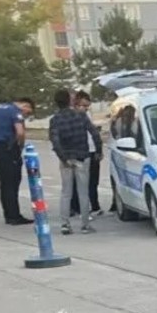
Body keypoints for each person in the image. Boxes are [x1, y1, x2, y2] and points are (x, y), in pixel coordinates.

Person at [47, 89, 95, 234]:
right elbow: (94, 133)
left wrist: (63, 158)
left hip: (66, 158)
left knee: (66, 192)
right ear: (69, 101)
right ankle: (85, 225)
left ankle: (65, 224)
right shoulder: (81, 116)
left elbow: (55, 141)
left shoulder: (55, 120)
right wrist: (98, 150)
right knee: (83, 192)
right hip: (82, 156)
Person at [0, 96, 35, 226]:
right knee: (12, 182)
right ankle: (14, 216)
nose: (26, 115)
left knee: (4, 182)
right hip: (8, 148)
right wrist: (20, 146)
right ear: (26, 106)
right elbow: (20, 132)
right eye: (28, 112)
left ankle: (8, 213)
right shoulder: (15, 111)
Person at [70, 91, 103, 219]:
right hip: (80, 152)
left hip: (92, 149)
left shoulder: (87, 114)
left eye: (87, 106)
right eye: (83, 105)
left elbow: (94, 134)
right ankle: (77, 207)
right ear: (76, 104)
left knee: (93, 181)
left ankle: (94, 205)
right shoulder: (72, 116)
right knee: (78, 181)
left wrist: (99, 150)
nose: (85, 108)